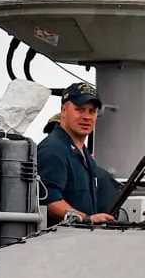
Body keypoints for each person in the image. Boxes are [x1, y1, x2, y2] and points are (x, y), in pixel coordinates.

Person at [35, 82, 118, 225]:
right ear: (64, 110)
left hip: (79, 236)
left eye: (92, 111)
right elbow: (48, 201)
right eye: (80, 109)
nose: (87, 117)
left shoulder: (83, 154)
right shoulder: (53, 149)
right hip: (59, 237)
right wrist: (86, 219)